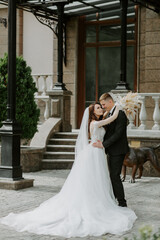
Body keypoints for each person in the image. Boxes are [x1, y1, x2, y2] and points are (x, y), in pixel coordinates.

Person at [0, 102, 137, 238]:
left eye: (101, 106)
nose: (101, 108)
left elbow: (108, 118)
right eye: (98, 107)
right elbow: (111, 118)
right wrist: (119, 107)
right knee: (92, 179)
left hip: (98, 152)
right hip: (94, 152)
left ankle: (99, 200)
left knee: (98, 180)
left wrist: (114, 109)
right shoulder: (94, 123)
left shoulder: (98, 121)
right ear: (92, 112)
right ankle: (91, 205)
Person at [93, 93, 129, 207]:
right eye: (101, 105)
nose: (103, 107)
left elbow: (118, 134)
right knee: (112, 176)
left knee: (115, 176)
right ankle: (115, 199)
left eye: (104, 104)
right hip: (111, 150)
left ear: (110, 102)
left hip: (118, 150)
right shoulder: (109, 113)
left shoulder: (120, 114)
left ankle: (122, 203)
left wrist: (104, 144)